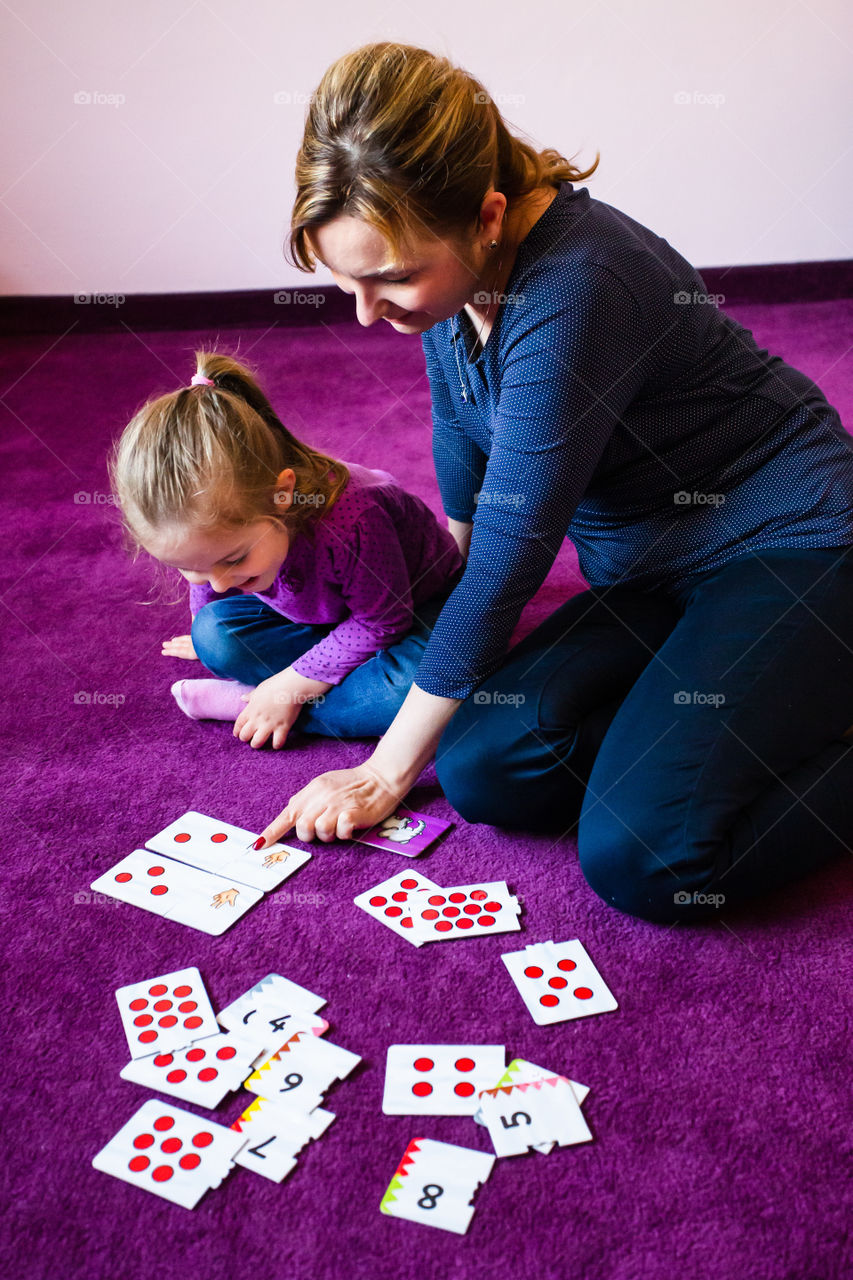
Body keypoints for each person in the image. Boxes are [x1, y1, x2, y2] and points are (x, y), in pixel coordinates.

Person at [255, 41, 853, 924]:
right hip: (650, 569)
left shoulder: (579, 282)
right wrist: (398, 618)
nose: (367, 312)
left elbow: (507, 561)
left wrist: (384, 769)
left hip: (793, 544)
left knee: (649, 857)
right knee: (484, 767)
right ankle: (758, 716)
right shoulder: (448, 272)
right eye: (343, 281)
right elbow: (463, 447)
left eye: (387, 280)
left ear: (487, 215)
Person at [110, 349, 463, 749]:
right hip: (327, 616)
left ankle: (243, 700)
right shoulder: (225, 548)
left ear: (283, 494)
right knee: (214, 635)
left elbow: (384, 622)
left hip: (413, 610)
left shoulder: (353, 521)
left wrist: (290, 687)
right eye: (195, 569)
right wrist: (202, 624)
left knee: (405, 691)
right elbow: (213, 591)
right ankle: (317, 683)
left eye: (233, 560)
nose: (220, 584)